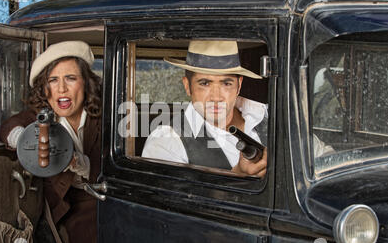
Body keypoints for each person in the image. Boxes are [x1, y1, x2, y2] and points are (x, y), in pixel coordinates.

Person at [142, 40, 332, 176]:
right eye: (205, 83)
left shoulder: (270, 119)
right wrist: (238, 174)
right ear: (187, 86)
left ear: (239, 85)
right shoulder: (166, 141)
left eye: (226, 83)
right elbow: (173, 212)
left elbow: (326, 158)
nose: (216, 97)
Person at [0, 41, 102, 243]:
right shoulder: (42, 117)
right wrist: (26, 141)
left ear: (85, 83)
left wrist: (77, 162)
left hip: (106, 198)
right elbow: (9, 127)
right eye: (53, 80)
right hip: (70, 205)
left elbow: (105, 165)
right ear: (45, 90)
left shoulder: (102, 117)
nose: (62, 89)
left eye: (71, 78)